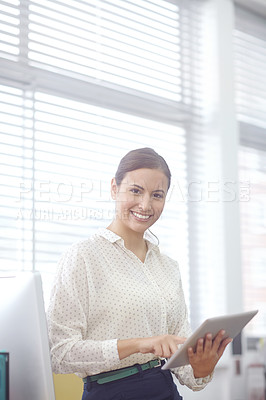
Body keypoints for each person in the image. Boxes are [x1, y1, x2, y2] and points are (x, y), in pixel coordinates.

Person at [47, 147, 232, 400]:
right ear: (114, 188)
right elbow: (59, 353)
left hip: (165, 389)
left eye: (157, 195)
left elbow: (186, 368)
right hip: (110, 392)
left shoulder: (168, 267)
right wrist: (139, 343)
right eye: (135, 191)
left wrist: (202, 365)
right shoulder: (83, 257)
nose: (145, 205)